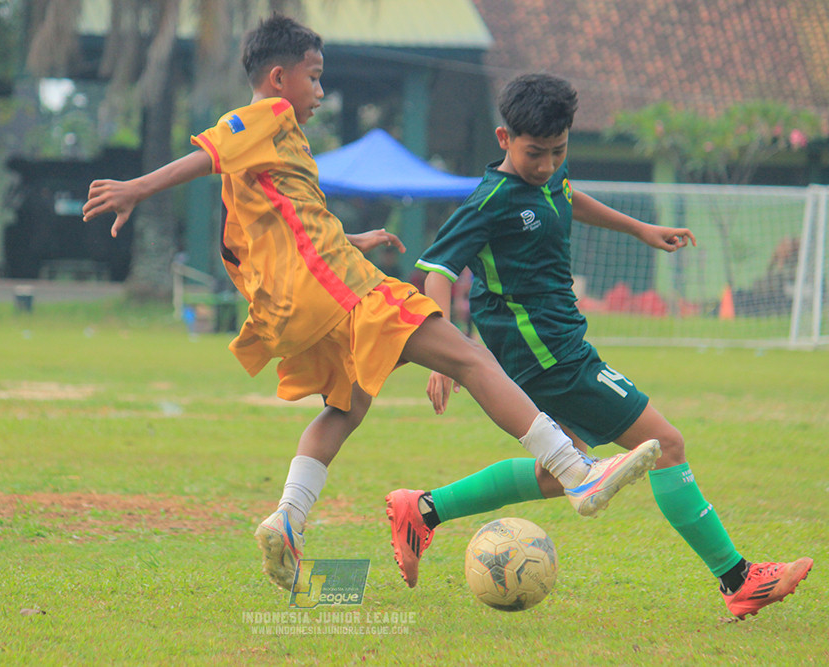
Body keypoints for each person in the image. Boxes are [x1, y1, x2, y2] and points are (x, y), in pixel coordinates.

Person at [82, 17, 660, 593]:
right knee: (470, 360)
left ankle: (288, 517)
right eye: (314, 77)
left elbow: (284, 220)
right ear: (280, 78)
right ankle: (575, 471)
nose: (320, 91)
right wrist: (135, 187)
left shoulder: (275, 144)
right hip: (345, 293)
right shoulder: (267, 116)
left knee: (346, 409)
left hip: (311, 302)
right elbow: (208, 153)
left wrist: (350, 241)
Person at [387, 73, 812, 619]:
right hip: (552, 361)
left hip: (554, 351)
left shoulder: (551, 175)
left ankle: (422, 510)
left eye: (558, 151)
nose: (545, 164)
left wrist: (639, 229)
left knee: (560, 470)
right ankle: (738, 579)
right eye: (534, 153)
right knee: (667, 443)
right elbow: (437, 270)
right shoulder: (489, 200)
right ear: (503, 138)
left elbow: (568, 197)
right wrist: (444, 347)